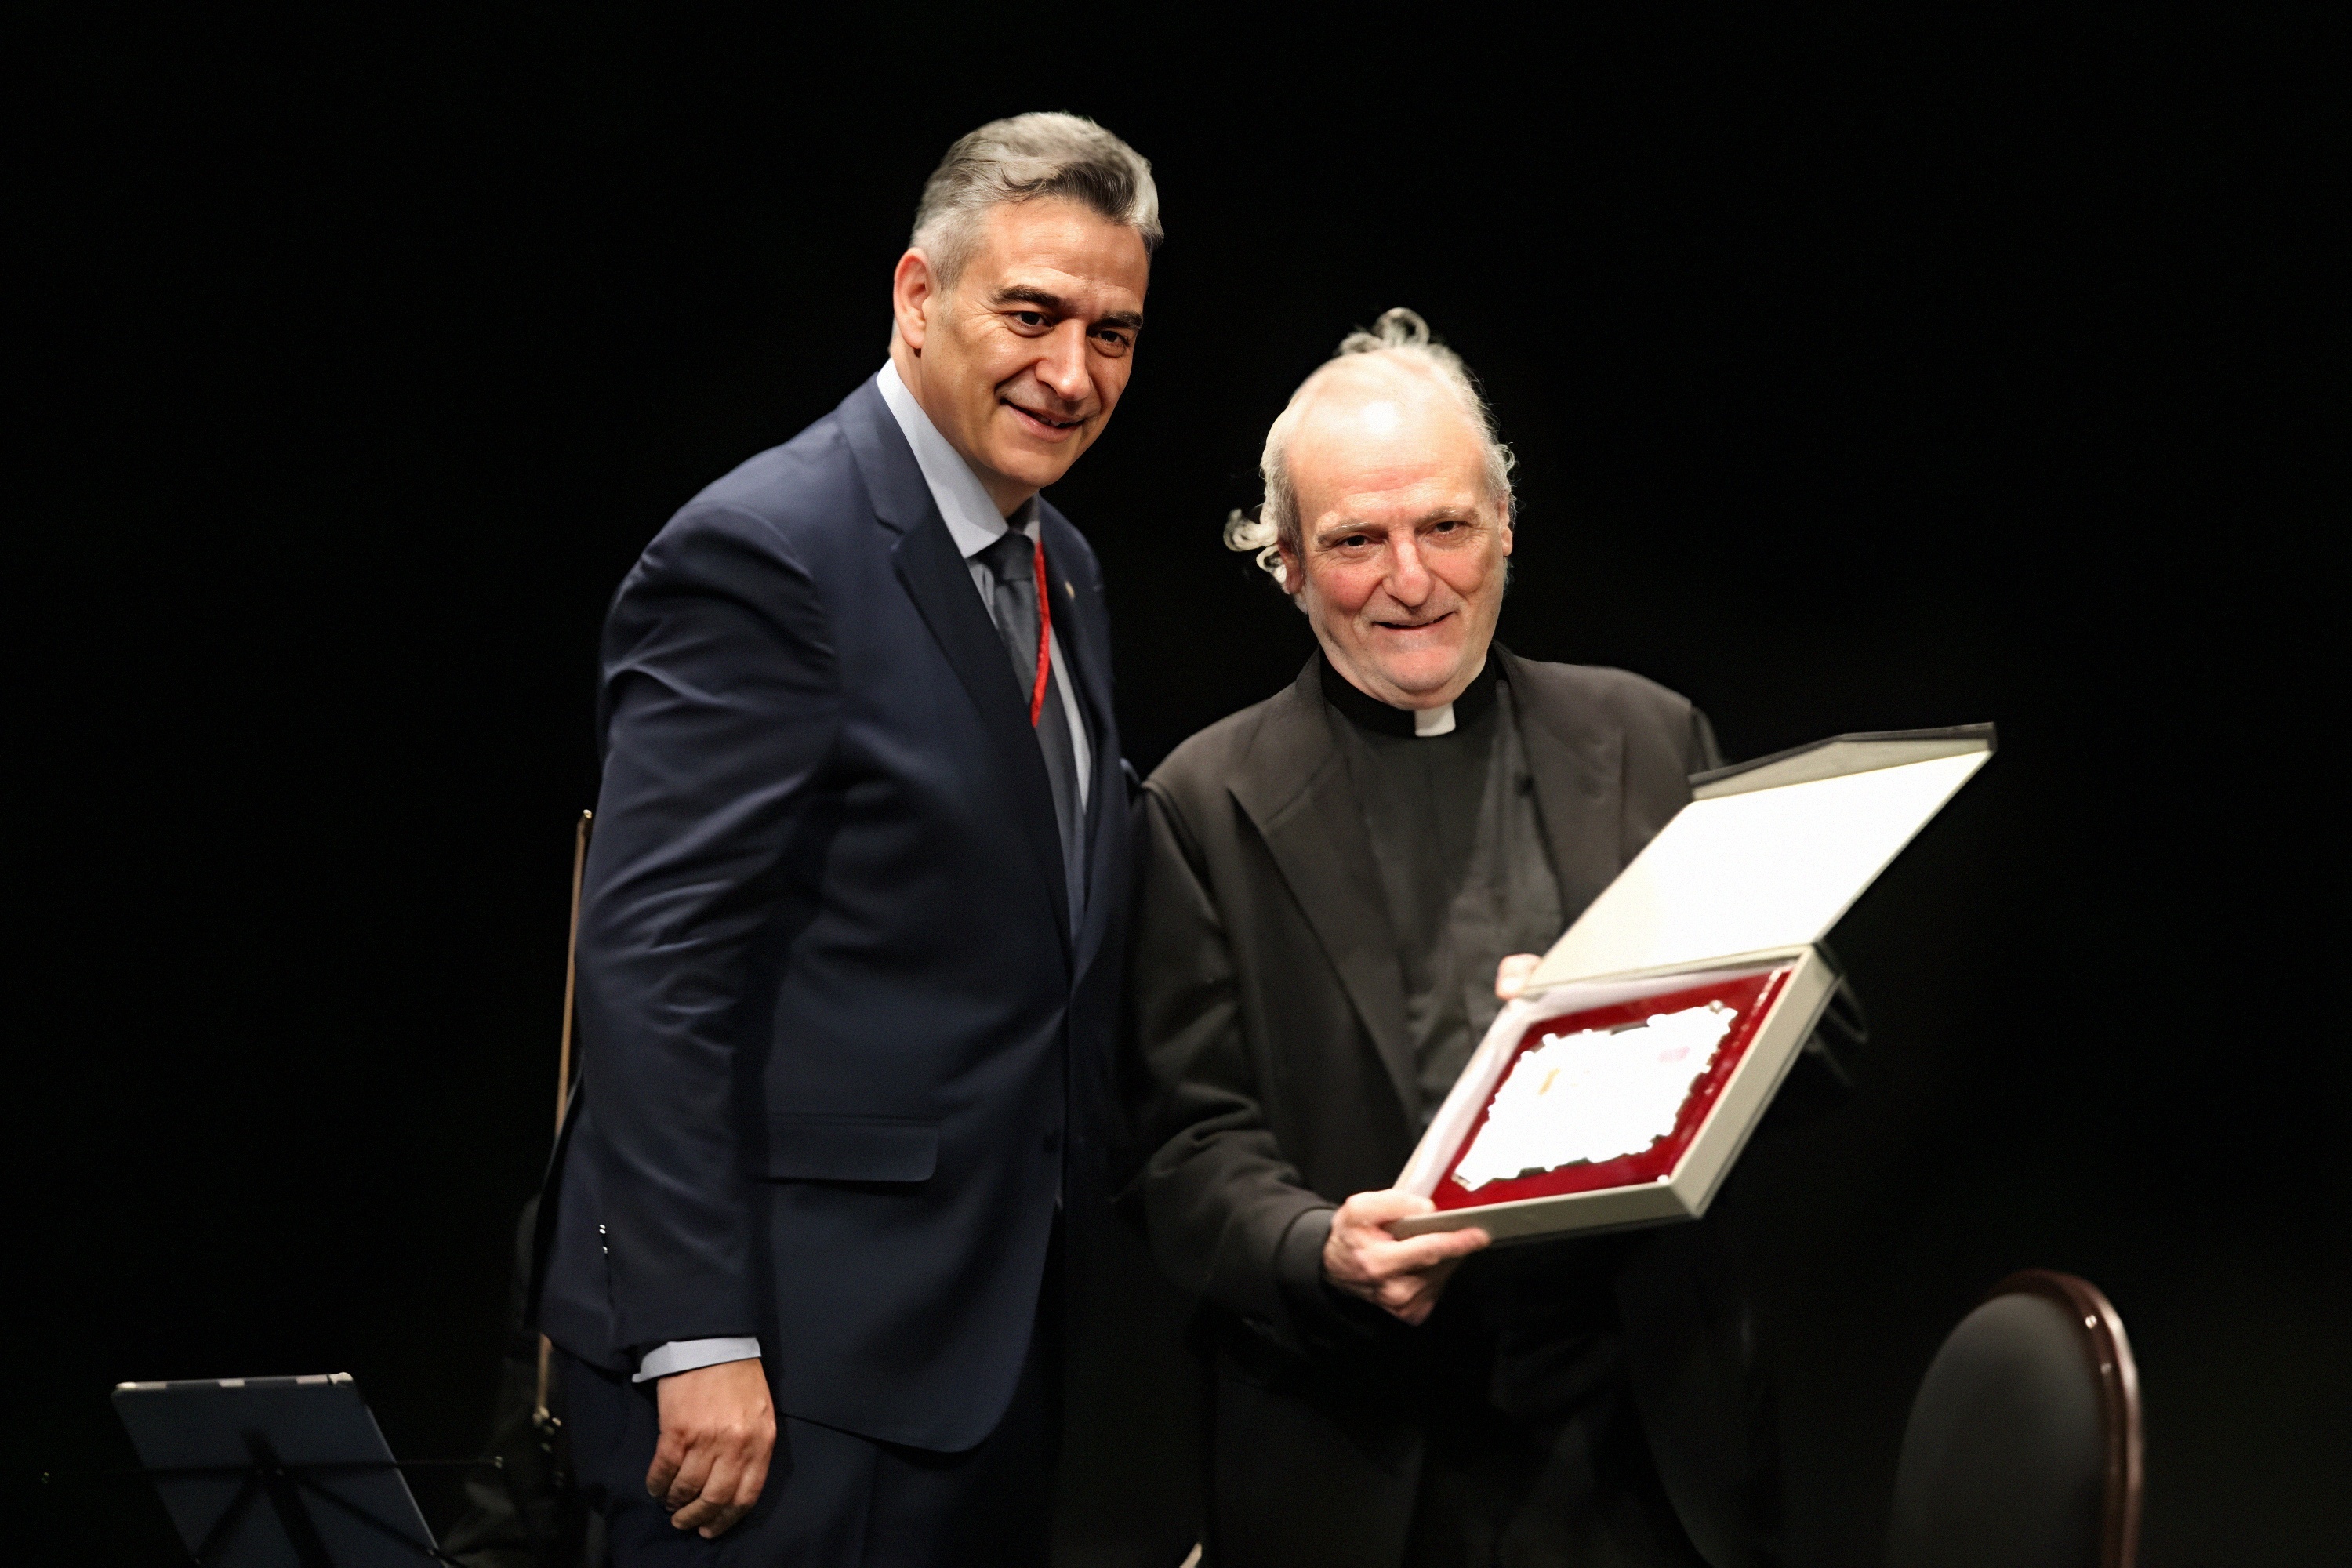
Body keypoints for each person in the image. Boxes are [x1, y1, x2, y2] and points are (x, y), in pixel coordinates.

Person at [1130, 310, 1861, 1567]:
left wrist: (1668, 1008)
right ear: (1287, 565)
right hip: (1358, 1459)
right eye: (1357, 541)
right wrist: (1320, 1248)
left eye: (1447, 527)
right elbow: (1182, 1149)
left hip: (1644, 1455)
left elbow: (1829, 1051)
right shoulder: (1202, 805)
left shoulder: (1646, 737)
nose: (1412, 580)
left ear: (1506, 525)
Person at [535, 113, 1160, 1565]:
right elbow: (649, 968)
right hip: (773, 1382)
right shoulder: (766, 552)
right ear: (916, 296)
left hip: (978, 1361)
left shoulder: (1060, 561)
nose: (1072, 374)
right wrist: (695, 1338)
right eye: (1034, 315)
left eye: (1115, 334)